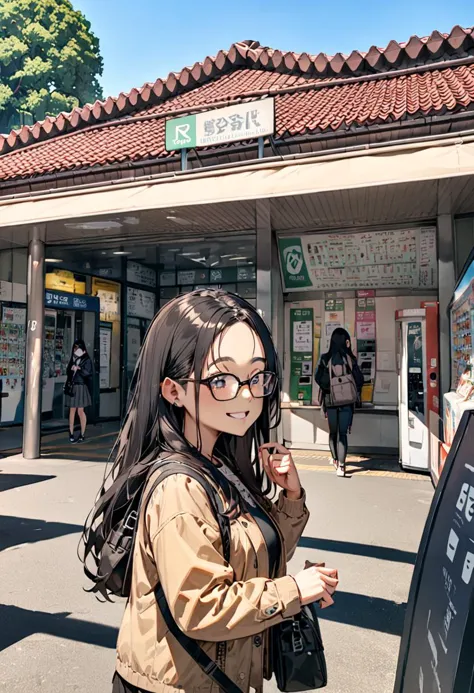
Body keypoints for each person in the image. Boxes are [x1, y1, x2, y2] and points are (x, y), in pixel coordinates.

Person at [82, 289, 339, 693]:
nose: (246, 394)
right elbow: (199, 606)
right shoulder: (179, 487)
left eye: (256, 377)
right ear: (173, 390)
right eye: (221, 379)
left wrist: (290, 498)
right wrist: (291, 591)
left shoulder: (220, 465)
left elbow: (255, 558)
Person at [315, 328, 364, 478]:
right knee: (342, 434)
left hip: (330, 402)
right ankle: (342, 466)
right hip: (347, 402)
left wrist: (330, 386)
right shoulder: (350, 358)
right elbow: (359, 380)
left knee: (333, 433)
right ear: (346, 342)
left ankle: (336, 460)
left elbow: (318, 378)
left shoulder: (325, 358)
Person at [65, 339, 93, 443]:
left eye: (77, 348)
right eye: (74, 348)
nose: (75, 350)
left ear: (82, 349)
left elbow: (88, 373)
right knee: (72, 410)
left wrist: (79, 369)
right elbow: (68, 371)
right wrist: (72, 369)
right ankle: (71, 433)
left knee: (80, 411)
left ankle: (82, 433)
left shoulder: (86, 359)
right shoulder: (73, 359)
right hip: (73, 386)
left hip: (81, 386)